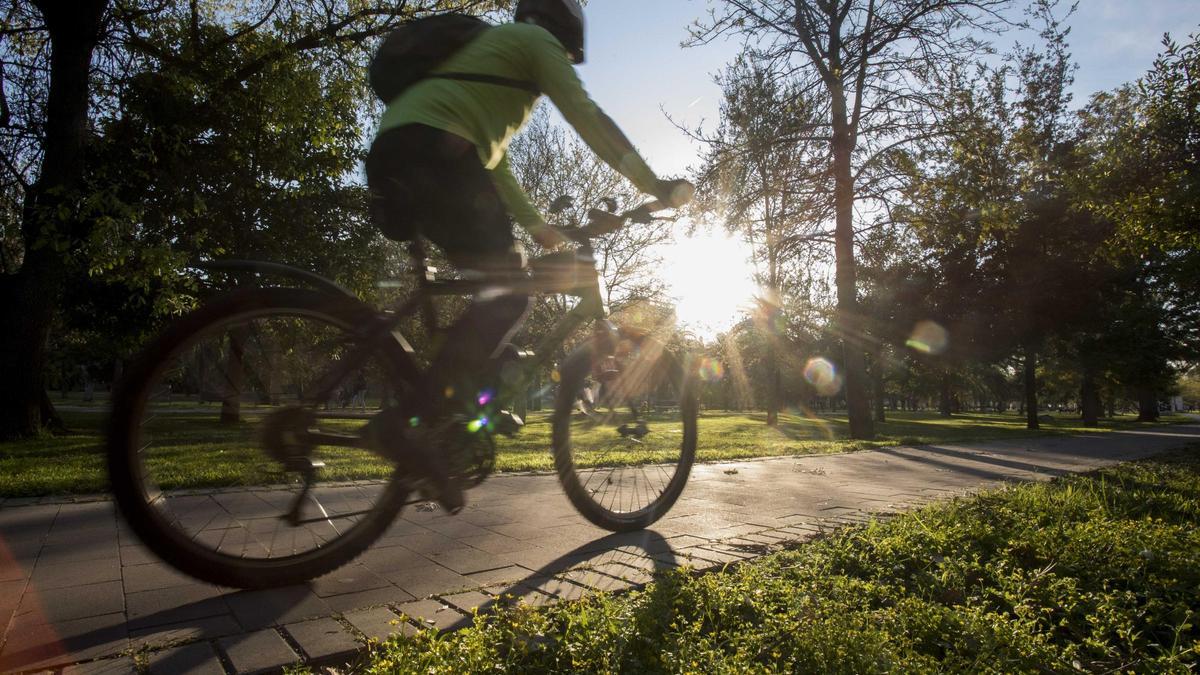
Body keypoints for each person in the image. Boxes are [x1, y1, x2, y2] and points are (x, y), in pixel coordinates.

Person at [363, 0, 693, 510]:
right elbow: (589, 118)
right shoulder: (535, 44)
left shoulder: (493, 64)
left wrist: (538, 226)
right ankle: (418, 419)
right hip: (434, 154)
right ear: (565, 28)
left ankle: (452, 411)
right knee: (511, 297)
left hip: (401, 151)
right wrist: (655, 184)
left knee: (501, 285)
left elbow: (493, 164)